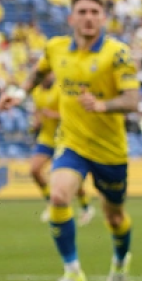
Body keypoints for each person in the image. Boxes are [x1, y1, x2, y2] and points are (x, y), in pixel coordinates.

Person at [2, 0, 140, 281]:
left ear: (103, 18)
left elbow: (132, 100)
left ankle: (119, 263)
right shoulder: (55, 48)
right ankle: (72, 271)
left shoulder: (117, 54)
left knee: (115, 217)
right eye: (82, 11)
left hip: (109, 149)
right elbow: (37, 74)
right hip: (72, 143)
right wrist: (19, 93)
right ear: (71, 18)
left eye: (94, 11)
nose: (89, 17)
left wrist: (102, 105)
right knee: (58, 194)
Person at [28, 77, 94, 226]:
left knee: (69, 179)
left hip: (64, 139)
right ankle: (50, 203)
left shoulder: (60, 89)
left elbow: (70, 114)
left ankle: (86, 207)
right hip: (46, 138)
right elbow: (38, 111)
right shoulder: (37, 91)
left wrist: (52, 115)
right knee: (34, 170)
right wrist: (36, 122)